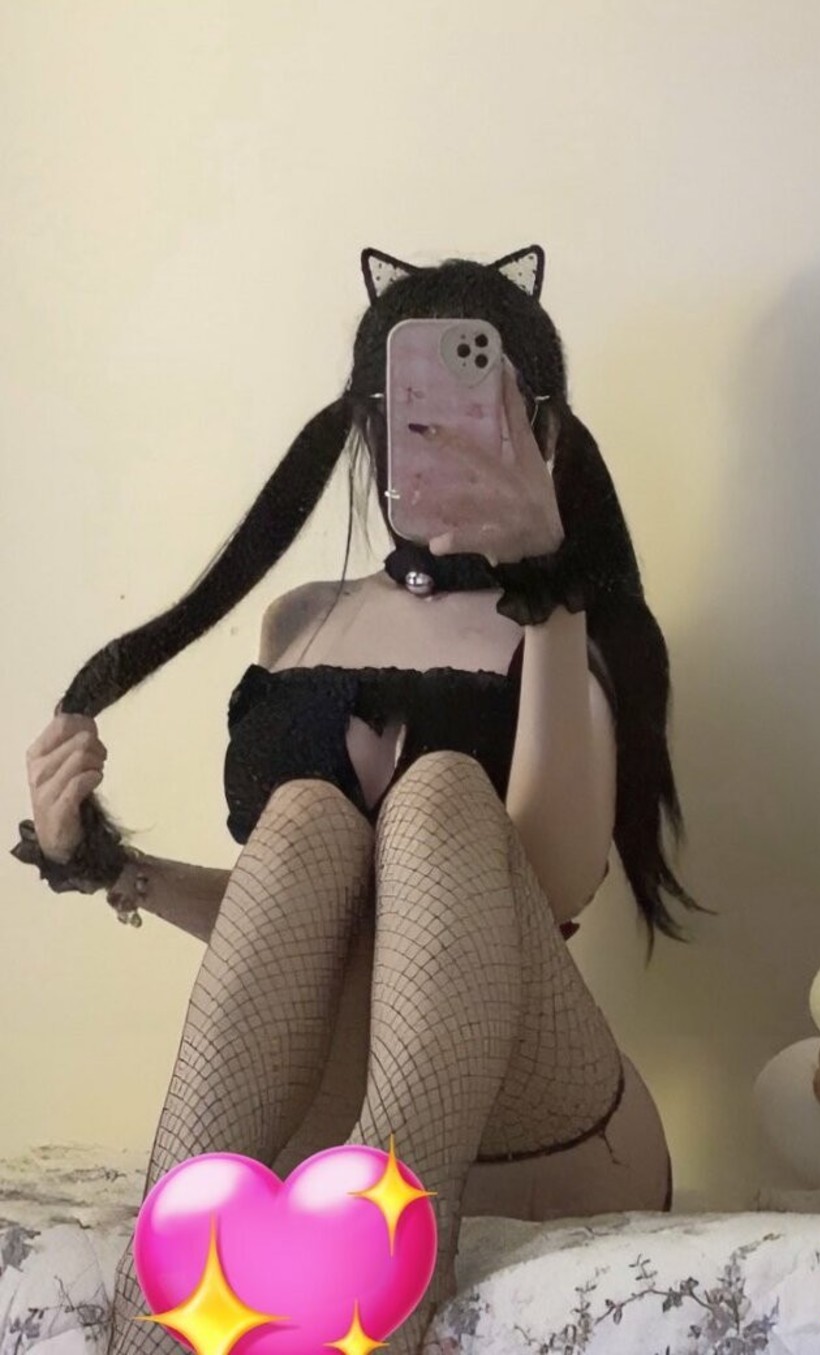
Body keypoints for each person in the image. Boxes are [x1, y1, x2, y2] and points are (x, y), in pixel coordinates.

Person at [16, 245, 699, 1354]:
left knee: (440, 791)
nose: (434, 433)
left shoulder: (571, 630)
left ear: (543, 430)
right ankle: (164, 1308)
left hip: (536, 1113)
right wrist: (104, 861)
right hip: (322, 1133)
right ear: (366, 422)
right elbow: (298, 926)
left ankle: (381, 1293)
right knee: (304, 820)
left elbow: (551, 882)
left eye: (474, 404)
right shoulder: (299, 620)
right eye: (405, 408)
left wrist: (550, 588)